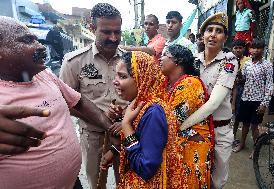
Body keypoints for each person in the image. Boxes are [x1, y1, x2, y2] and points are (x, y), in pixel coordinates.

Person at [0, 16, 115, 189]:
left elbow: (78, 101)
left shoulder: (45, 75)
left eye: (37, 40)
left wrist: (110, 127)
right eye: (27, 40)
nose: (40, 46)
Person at [60, 3, 128, 189]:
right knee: (97, 184)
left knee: (129, 183)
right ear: (92, 28)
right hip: (92, 137)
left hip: (126, 133)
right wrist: (101, 118)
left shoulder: (130, 60)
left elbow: (143, 95)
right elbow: (66, 102)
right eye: (106, 32)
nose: (113, 38)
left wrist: (127, 121)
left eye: (117, 32)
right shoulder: (74, 61)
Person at [180, 12, 239, 189]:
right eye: (209, 30)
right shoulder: (193, 61)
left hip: (219, 131)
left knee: (216, 181)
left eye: (218, 31)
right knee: (194, 176)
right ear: (202, 35)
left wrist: (181, 125)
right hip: (196, 130)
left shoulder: (229, 62)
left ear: (225, 38)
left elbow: (213, 104)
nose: (213, 34)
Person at [106, 51, 179, 188]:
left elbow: (146, 169)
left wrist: (126, 124)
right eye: (116, 75)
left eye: (122, 76)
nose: (115, 81)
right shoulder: (141, 103)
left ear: (142, 78)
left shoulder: (154, 112)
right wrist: (122, 118)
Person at [160, 44, 214, 188]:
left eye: (165, 55)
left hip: (191, 152)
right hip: (179, 150)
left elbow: (169, 121)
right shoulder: (168, 84)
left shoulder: (190, 84)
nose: (160, 58)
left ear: (177, 61)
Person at [233, 39, 273, 158]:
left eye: (258, 48)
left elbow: (270, 85)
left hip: (258, 100)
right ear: (250, 49)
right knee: (245, 124)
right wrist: (239, 74)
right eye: (253, 48)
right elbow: (242, 80)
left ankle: (256, 148)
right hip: (245, 98)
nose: (255, 50)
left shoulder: (267, 65)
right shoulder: (248, 64)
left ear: (263, 49)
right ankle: (242, 144)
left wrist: (264, 104)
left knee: (254, 126)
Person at [231, 39, 251, 145]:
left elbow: (246, 78)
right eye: (236, 48)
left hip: (241, 90)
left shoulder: (248, 61)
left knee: (237, 115)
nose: (238, 50)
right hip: (229, 89)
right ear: (232, 49)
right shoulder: (229, 59)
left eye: (240, 48)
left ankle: (232, 137)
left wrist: (240, 77)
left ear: (244, 49)